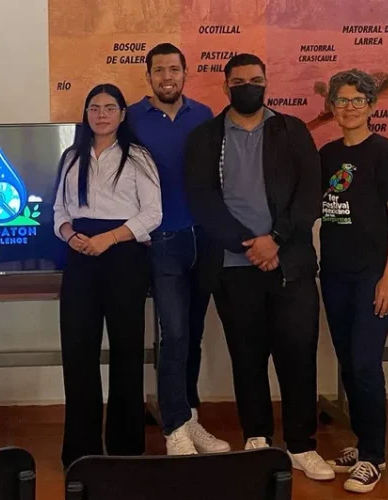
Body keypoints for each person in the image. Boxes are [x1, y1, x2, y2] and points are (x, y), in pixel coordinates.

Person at [184, 54, 334, 481]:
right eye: (238, 81)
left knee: (297, 356)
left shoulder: (292, 130)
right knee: (247, 356)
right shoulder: (205, 137)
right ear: (225, 86)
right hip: (233, 267)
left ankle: (302, 446)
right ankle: (257, 438)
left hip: (291, 265)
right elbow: (202, 200)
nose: (247, 86)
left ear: (267, 83)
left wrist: (276, 241)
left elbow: (309, 193)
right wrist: (247, 245)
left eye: (255, 80)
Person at [126, 42, 229, 455]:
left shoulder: (203, 115)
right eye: (159, 70)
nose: (167, 77)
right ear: (148, 76)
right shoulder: (131, 118)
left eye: (174, 69)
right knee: (174, 333)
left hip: (202, 237)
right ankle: (174, 428)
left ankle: (190, 416)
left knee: (194, 333)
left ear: (186, 73)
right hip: (160, 240)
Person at [54, 83, 162, 468]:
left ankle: (126, 449)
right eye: (94, 108)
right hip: (80, 256)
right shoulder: (71, 156)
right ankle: (80, 451)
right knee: (78, 351)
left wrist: (110, 239)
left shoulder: (139, 157)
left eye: (109, 107)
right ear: (86, 114)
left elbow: (153, 214)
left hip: (124, 257)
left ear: (122, 114)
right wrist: (71, 235)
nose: (101, 114)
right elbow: (59, 210)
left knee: (127, 351)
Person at [318, 69, 388, 493]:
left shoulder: (386, 153)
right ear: (332, 107)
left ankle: (373, 456)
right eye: (342, 100)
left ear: (371, 106)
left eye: (358, 100)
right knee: (349, 363)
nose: (349, 107)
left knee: (365, 363)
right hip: (334, 274)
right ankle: (364, 442)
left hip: (373, 276)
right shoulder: (327, 154)